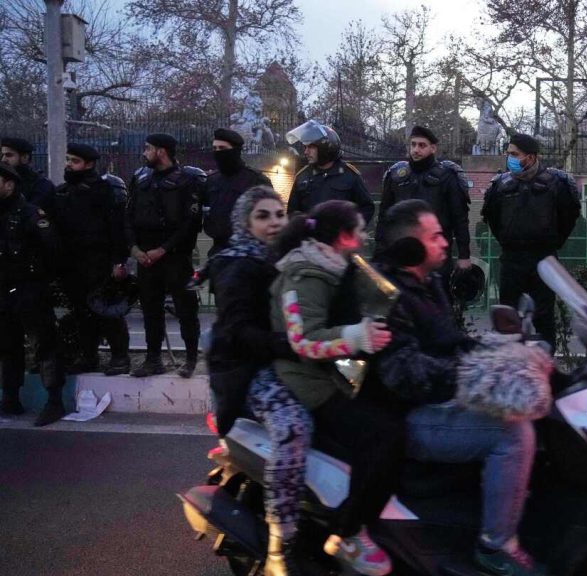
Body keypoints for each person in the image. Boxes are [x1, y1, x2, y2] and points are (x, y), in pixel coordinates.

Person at [372, 199, 545, 576]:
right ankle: (496, 545)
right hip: (409, 417)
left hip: (439, 401)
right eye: (435, 236)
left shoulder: (427, 282)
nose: (445, 242)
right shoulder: (388, 294)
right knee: (513, 432)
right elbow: (406, 373)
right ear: (411, 245)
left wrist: (502, 352)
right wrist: (476, 373)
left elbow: (450, 343)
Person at [269, 200, 400, 576]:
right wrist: (358, 336)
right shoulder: (304, 275)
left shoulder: (338, 266)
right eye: (359, 231)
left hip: (337, 374)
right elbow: (303, 341)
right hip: (310, 384)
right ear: (343, 237)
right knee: (383, 435)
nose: (365, 237)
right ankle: (349, 531)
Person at [204, 186, 312, 576]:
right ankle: (283, 536)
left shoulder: (282, 257)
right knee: (293, 426)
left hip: (280, 357)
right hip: (247, 369)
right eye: (262, 216)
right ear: (245, 223)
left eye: (279, 214)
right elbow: (239, 332)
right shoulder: (237, 265)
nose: (274, 223)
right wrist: (293, 345)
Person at [481, 133, 580, 347]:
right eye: (508, 154)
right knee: (508, 318)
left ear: (531, 157)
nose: (510, 159)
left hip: (544, 261)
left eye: (515, 154)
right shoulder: (500, 185)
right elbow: (493, 218)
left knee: (544, 317)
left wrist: (551, 242)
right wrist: (510, 239)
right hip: (512, 259)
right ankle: (511, 361)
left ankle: (546, 361)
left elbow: (568, 217)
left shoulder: (556, 184)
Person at [125, 133, 205, 378]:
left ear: (161, 151)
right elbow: (128, 217)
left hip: (175, 256)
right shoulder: (141, 178)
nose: (144, 152)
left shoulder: (187, 180)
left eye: (148, 148)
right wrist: (134, 249)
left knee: (186, 309)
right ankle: (153, 359)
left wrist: (163, 249)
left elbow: (191, 223)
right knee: (150, 310)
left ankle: (190, 358)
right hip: (145, 257)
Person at [47, 144, 131, 376]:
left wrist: (118, 261)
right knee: (81, 312)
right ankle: (88, 355)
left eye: (74, 161)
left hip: (98, 262)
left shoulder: (103, 191)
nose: (69, 165)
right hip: (71, 264)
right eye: (68, 160)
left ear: (89, 164)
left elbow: (117, 229)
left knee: (107, 311)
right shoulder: (62, 192)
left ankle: (120, 357)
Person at [0, 163, 65, 426]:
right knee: (7, 344)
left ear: (9, 184)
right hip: (4, 290)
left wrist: (39, 281)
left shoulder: (31, 214)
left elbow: (53, 250)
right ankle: (10, 398)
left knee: (44, 344)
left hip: (30, 289)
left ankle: (54, 401)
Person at [377, 125, 472, 288]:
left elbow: (460, 219)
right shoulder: (396, 176)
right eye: (413, 144)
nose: (416, 150)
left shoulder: (447, 176)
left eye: (422, 145)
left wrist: (464, 255)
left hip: (435, 254)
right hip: (400, 253)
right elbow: (384, 217)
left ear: (433, 148)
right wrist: (380, 251)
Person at [284, 120, 375, 226]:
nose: (306, 152)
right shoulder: (302, 176)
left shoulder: (350, 174)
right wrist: (309, 224)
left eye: (311, 147)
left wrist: (349, 228)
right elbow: (292, 214)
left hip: (340, 236)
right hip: (311, 235)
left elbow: (367, 208)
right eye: (306, 147)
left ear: (325, 148)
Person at [202, 128, 272, 257]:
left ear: (235, 150)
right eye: (215, 148)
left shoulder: (256, 180)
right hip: (218, 251)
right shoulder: (212, 181)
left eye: (222, 148)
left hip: (249, 252)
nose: (218, 152)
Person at [0, 137, 55, 207]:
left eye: (9, 155)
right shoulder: (4, 181)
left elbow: (29, 210)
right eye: (2, 155)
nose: (3, 159)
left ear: (25, 158)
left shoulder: (41, 185)